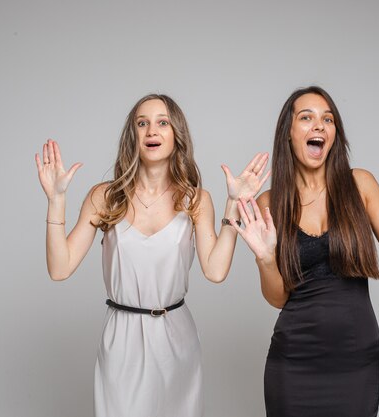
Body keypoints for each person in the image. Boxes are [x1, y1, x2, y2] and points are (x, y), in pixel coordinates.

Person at [34, 93, 270, 417]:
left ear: (176, 135)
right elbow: (59, 268)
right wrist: (56, 199)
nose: (151, 131)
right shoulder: (106, 197)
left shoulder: (195, 199)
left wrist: (233, 205)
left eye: (162, 123)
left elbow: (215, 272)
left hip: (177, 339)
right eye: (142, 123)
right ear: (133, 136)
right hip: (122, 339)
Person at [229, 86, 379, 417]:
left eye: (327, 119)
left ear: (335, 134)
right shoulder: (269, 204)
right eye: (306, 117)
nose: (319, 126)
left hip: (355, 362)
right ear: (288, 134)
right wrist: (264, 258)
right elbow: (278, 297)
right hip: (293, 363)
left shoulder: (360, 185)